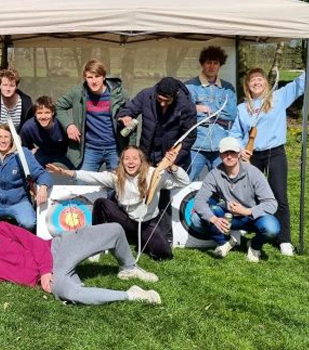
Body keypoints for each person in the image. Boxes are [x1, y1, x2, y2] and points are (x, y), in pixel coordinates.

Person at [229, 45, 309, 256]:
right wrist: (241, 149)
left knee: (279, 196)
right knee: (248, 196)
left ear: (266, 83)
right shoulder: (242, 109)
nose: (257, 82)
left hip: (275, 153)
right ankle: (247, 232)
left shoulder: (278, 98)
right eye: (253, 80)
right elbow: (235, 132)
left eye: (260, 79)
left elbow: (300, 82)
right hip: (251, 158)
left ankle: (284, 240)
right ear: (247, 86)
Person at [0, 218, 162, 306]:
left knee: (114, 229)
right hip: (52, 277)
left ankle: (128, 268)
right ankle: (132, 294)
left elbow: (33, 242)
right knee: (73, 294)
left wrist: (44, 270)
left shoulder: (0, 228)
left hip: (54, 250)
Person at [47, 146, 189, 262]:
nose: (131, 162)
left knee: (164, 254)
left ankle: (141, 241)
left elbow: (184, 182)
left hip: (146, 223)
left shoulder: (154, 174)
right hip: (125, 220)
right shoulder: (117, 176)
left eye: (135, 158)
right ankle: (97, 244)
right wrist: (65, 172)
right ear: (122, 162)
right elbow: (92, 177)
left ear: (141, 161)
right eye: (127, 158)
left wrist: (173, 167)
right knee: (101, 203)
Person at [117, 77, 196, 244]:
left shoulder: (187, 106)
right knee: (144, 192)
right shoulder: (146, 95)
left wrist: (175, 158)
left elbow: (190, 137)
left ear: (175, 96)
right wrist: (125, 117)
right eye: (159, 100)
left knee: (164, 196)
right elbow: (128, 110)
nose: (162, 104)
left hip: (168, 157)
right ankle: (138, 234)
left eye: (166, 101)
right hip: (147, 153)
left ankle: (166, 237)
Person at [193, 137, 280, 263]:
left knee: (271, 229)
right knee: (196, 219)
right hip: (229, 217)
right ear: (220, 155)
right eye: (225, 153)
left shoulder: (254, 173)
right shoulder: (214, 174)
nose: (229, 157)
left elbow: (271, 203)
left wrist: (247, 211)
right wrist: (213, 219)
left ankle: (254, 245)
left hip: (253, 217)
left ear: (239, 154)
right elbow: (199, 201)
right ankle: (224, 242)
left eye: (233, 153)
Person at [55, 59, 133, 171]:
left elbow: (132, 119)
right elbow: (58, 107)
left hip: (115, 148)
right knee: (82, 184)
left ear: (104, 77)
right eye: (90, 77)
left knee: (118, 184)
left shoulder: (119, 94)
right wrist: (69, 125)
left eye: (97, 76)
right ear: (85, 78)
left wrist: (131, 148)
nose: (94, 81)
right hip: (90, 148)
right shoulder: (78, 93)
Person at [185, 46, 237, 181]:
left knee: (224, 183)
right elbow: (185, 114)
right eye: (208, 62)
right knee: (186, 182)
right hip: (196, 145)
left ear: (220, 65)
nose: (212, 66)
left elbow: (231, 114)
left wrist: (206, 110)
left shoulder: (228, 87)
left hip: (220, 146)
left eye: (215, 63)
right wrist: (195, 110)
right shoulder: (190, 86)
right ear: (202, 64)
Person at [19, 96, 74, 168]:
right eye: (39, 113)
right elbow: (24, 145)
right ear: (35, 114)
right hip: (44, 152)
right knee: (31, 167)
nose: (43, 116)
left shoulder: (62, 124)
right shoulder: (28, 127)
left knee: (75, 168)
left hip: (63, 152)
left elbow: (73, 145)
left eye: (47, 112)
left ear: (53, 112)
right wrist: (31, 150)